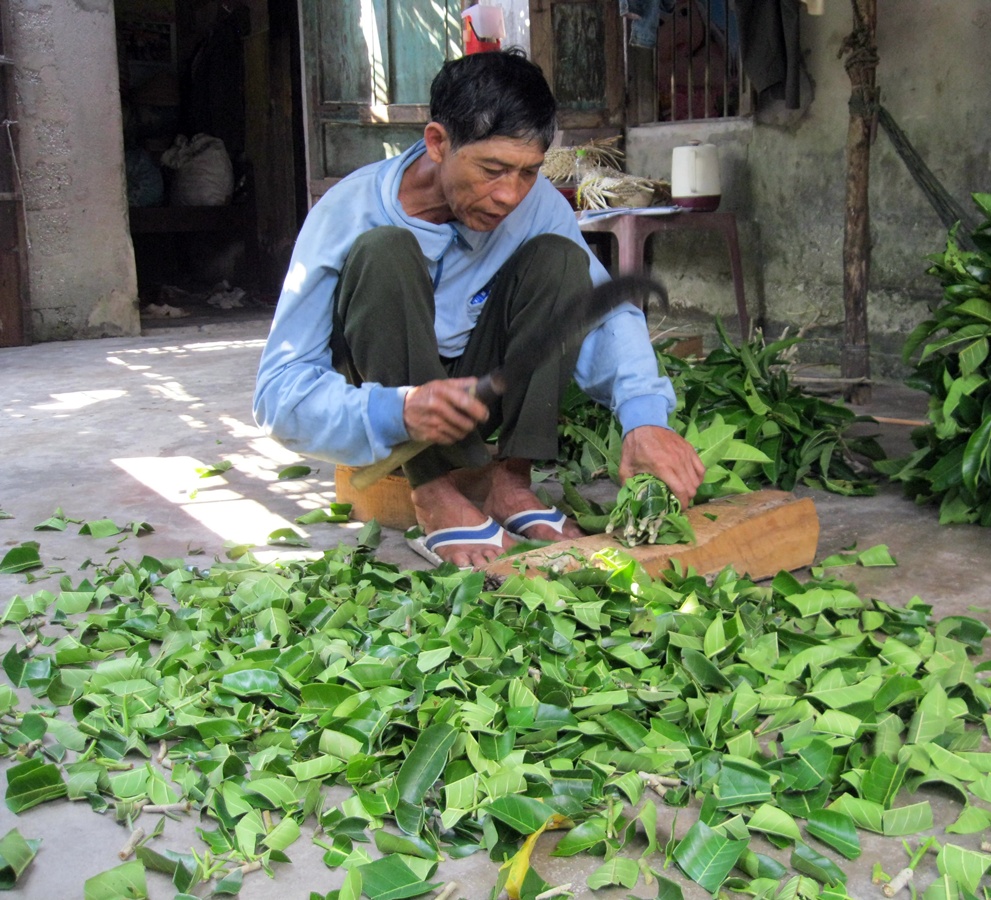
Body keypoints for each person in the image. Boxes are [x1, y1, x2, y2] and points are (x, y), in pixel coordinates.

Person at [253, 49, 704, 568]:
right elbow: (278, 394)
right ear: (438, 143)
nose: (510, 194)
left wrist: (644, 417)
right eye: (492, 170)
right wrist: (395, 408)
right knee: (383, 254)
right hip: (388, 396)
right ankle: (434, 492)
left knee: (562, 263)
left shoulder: (535, 205)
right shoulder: (346, 212)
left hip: (477, 394)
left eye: (528, 172)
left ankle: (510, 481)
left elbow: (602, 316)